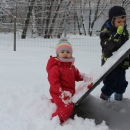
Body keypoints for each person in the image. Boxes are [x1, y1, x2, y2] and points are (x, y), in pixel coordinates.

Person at [46, 37, 92, 124]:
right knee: (67, 107)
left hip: (69, 93)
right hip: (58, 93)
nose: (65, 54)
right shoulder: (56, 68)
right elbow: (54, 83)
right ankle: (54, 120)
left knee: (67, 104)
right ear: (57, 54)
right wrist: (61, 93)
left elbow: (77, 75)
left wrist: (87, 78)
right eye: (62, 52)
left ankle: (54, 102)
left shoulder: (70, 66)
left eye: (68, 52)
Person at [99, 6, 130, 101]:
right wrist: (116, 35)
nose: (122, 24)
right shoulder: (106, 32)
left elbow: (126, 47)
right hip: (110, 62)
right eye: (119, 22)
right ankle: (105, 96)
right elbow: (107, 47)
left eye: (123, 21)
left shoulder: (124, 32)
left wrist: (127, 60)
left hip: (121, 61)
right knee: (110, 81)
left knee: (121, 81)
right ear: (112, 21)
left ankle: (119, 96)